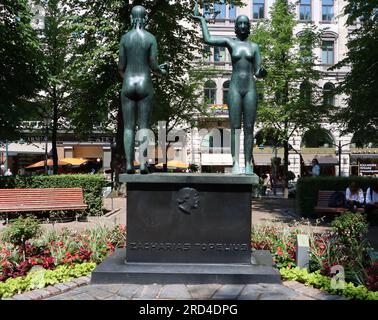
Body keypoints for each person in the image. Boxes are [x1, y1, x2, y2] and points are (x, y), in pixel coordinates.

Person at [192, 1, 267, 175]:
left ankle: (248, 163)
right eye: (239, 23)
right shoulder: (230, 43)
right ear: (235, 27)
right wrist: (201, 20)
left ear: (248, 27)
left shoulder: (254, 47)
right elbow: (207, 40)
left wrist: (262, 72)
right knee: (235, 127)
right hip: (234, 88)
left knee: (249, 128)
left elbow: (257, 70)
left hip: (250, 88)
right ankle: (235, 163)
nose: (242, 26)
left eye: (245, 24)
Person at [118, 5, 168, 174]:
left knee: (128, 127)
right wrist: (162, 71)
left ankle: (129, 164)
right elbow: (154, 65)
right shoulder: (150, 38)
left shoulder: (124, 38)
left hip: (128, 83)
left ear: (131, 18)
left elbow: (121, 66)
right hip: (145, 83)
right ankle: (143, 164)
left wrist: (126, 79)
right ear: (145, 18)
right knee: (144, 127)